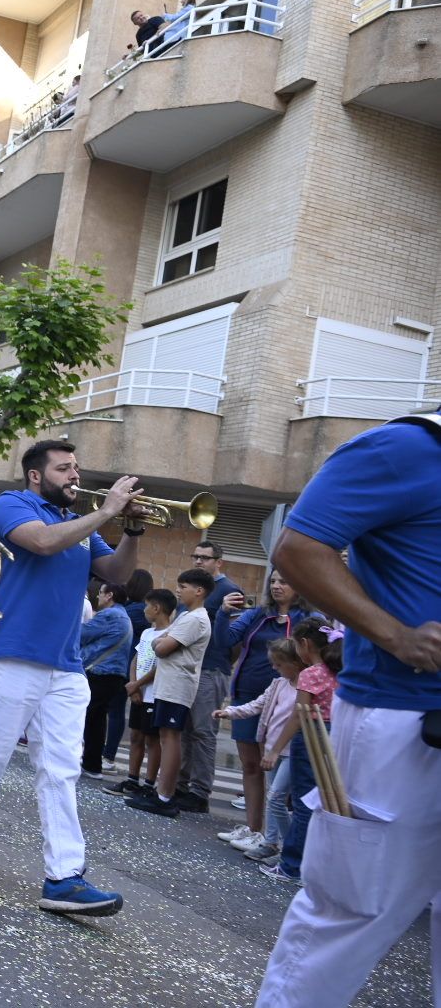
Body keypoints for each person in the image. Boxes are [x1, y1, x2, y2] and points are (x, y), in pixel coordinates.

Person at [254, 409, 441, 1005]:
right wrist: (396, 636)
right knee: (350, 911)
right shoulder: (408, 446)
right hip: (404, 720)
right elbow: (298, 549)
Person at [0, 440, 142, 915]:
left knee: (60, 769)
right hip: (10, 653)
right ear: (36, 475)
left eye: (77, 467)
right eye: (64, 468)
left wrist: (132, 530)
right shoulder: (12, 505)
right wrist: (107, 511)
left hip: (66, 665)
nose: (75, 475)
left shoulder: (79, 526)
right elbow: (43, 542)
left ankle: (64, 876)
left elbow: (116, 573)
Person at [223, 569, 312, 846]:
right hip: (248, 691)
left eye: (284, 581)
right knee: (250, 764)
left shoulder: (308, 619)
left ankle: (276, 840)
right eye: (273, 581)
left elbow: (320, 654)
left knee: (275, 767)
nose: (276, 586)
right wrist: (223, 613)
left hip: (286, 698)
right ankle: (254, 830)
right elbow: (226, 640)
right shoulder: (258, 614)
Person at [259, 617, 343, 889]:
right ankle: (318, 863)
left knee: (303, 801)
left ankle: (292, 864)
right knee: (326, 800)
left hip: (311, 734)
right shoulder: (339, 670)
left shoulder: (311, 674)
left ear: (305, 644)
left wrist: (275, 749)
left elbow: (298, 716)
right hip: (336, 734)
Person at [126, 568, 211, 817]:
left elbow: (162, 648)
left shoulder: (196, 619)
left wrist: (161, 641)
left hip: (177, 685)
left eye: (183, 586)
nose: (179, 590)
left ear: (199, 591)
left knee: (169, 738)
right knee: (165, 736)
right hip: (168, 684)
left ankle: (164, 796)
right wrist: (161, 641)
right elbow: (160, 641)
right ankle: (161, 792)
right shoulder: (186, 616)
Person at [213, 639, 300, 864]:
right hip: (272, 748)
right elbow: (257, 704)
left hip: (292, 751)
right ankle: (271, 842)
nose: (274, 668)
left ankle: (289, 845)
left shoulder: (305, 687)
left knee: (277, 797)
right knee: (274, 796)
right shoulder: (279, 684)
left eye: (279, 664)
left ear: (295, 663)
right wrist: (231, 712)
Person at [176, 541, 244, 813]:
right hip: (188, 668)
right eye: (195, 556)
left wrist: (222, 663)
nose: (198, 561)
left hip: (212, 669)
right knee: (185, 730)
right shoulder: (190, 589)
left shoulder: (229, 590)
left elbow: (236, 638)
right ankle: (182, 786)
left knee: (203, 732)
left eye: (204, 557)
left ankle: (200, 791)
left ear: (219, 562)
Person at [107, 587, 176, 798]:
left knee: (152, 740)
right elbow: (136, 660)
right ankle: (132, 779)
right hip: (138, 692)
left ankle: (149, 784)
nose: (144, 610)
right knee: (136, 736)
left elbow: (161, 666)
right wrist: (133, 684)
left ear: (156, 608)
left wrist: (138, 684)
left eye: (147, 606)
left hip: (154, 694)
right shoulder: (147, 633)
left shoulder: (170, 634)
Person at [79, 583, 133, 778]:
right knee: (97, 719)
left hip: (100, 672)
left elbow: (82, 634)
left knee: (88, 717)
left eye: (101, 593)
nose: (97, 596)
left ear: (110, 595)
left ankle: (88, 763)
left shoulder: (110, 615)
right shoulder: (122, 615)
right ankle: (92, 764)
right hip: (113, 674)